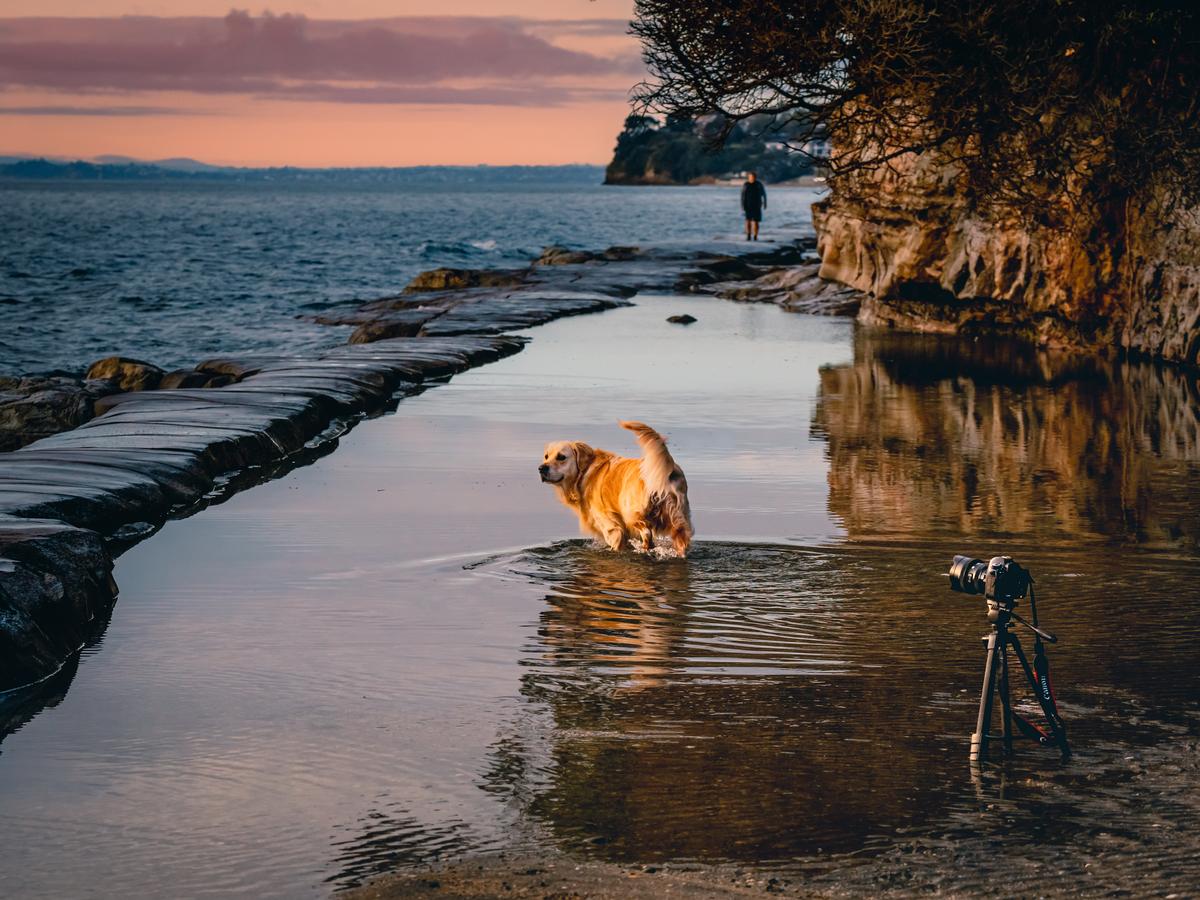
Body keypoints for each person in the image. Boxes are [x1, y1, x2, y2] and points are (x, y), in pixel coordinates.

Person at [741, 172, 767, 240]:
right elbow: (743, 196)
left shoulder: (759, 184)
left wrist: (765, 203)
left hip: (757, 205)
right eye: (751, 177)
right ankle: (748, 235)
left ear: (755, 177)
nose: (752, 178)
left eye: (753, 177)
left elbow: (764, 194)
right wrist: (742, 205)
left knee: (756, 222)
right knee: (748, 221)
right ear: (748, 177)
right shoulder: (746, 185)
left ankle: (755, 236)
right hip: (748, 205)